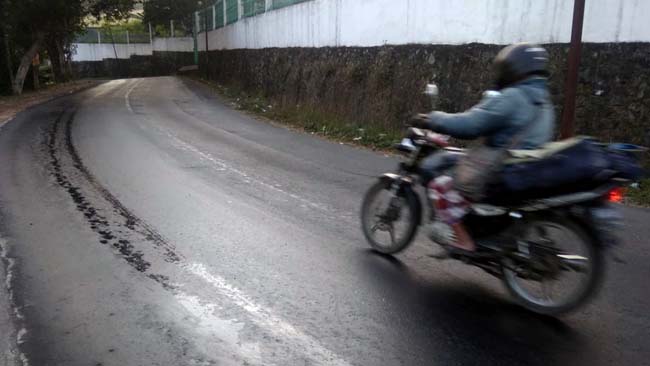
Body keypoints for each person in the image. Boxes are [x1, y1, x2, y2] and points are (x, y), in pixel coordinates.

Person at [411, 43, 556, 254]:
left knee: (438, 187)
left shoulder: (514, 97)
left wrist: (433, 119)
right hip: (523, 167)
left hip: (499, 168)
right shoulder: (544, 102)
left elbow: (471, 125)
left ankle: (463, 241)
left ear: (514, 68)